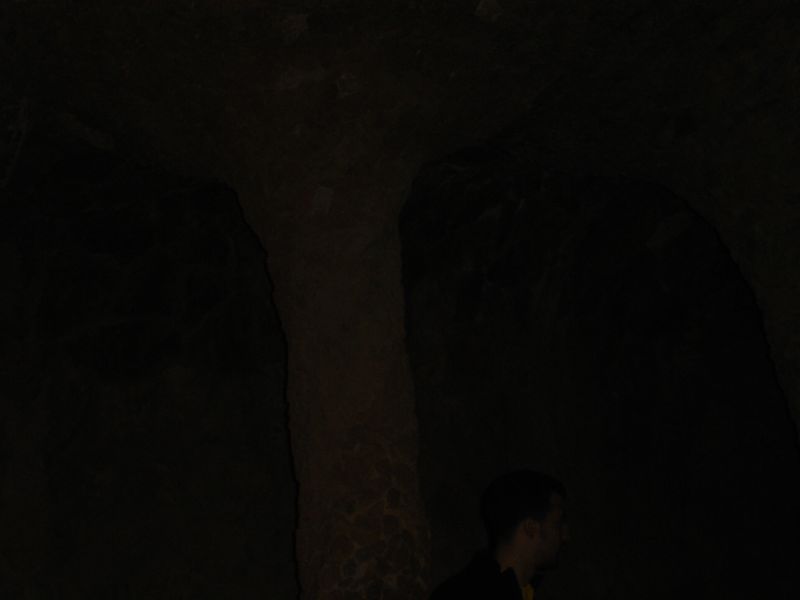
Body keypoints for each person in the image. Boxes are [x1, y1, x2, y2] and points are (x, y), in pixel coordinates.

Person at [429, 469, 569, 600]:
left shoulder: (521, 592)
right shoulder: (464, 593)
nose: (565, 536)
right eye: (557, 524)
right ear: (530, 527)